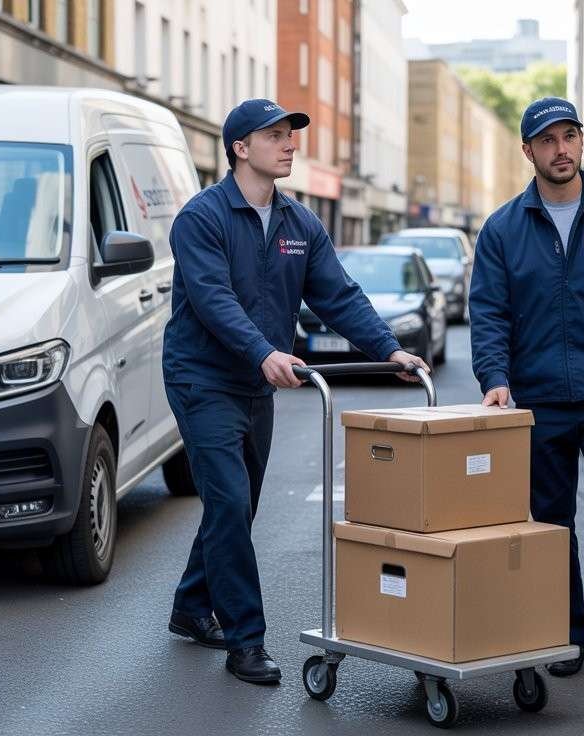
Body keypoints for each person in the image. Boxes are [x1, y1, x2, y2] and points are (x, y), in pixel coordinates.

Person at [162, 98, 430, 685]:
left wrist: (389, 349)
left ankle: (190, 604)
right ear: (239, 147)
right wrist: (263, 353)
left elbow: (339, 295)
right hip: (202, 377)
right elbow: (212, 300)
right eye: (276, 136)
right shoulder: (201, 218)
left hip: (256, 384)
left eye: (291, 135)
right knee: (230, 501)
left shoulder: (299, 223)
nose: (290, 145)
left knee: (240, 504)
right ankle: (245, 641)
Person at [469, 97, 584, 677]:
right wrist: (495, 379)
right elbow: (489, 311)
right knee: (550, 523)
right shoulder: (502, 227)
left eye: (570, 136)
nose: (562, 149)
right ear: (528, 151)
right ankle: (565, 627)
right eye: (548, 140)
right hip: (537, 398)